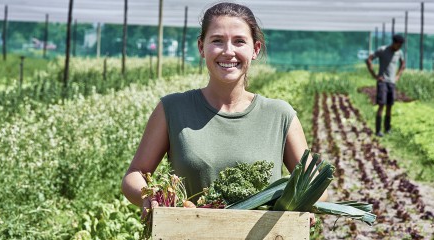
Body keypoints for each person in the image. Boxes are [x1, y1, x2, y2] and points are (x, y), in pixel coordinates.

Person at [121, 2, 327, 224]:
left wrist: (307, 205)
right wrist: (149, 195)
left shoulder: (280, 115)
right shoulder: (172, 109)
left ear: (255, 49)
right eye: (217, 40)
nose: (228, 51)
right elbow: (135, 174)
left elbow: (315, 184)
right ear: (201, 47)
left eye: (239, 41)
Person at [365, 34, 406, 137]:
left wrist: (398, 76)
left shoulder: (399, 53)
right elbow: (369, 59)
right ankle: (378, 130)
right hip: (382, 82)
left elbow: (403, 64)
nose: (399, 47)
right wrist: (374, 75)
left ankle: (387, 129)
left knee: (389, 106)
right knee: (381, 105)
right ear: (394, 43)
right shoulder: (382, 50)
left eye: (401, 46)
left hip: (391, 82)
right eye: (398, 45)